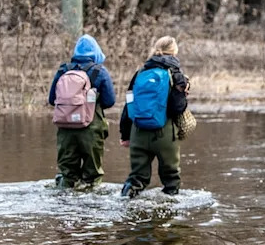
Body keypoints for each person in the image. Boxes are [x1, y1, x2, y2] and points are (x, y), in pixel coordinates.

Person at [119, 36, 190, 198]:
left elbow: (128, 105)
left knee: (136, 178)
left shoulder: (140, 72)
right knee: (171, 179)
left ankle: (125, 208)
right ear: (174, 52)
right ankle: (168, 216)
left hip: (138, 132)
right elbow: (177, 108)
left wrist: (125, 134)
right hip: (163, 133)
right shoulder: (176, 74)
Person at [49, 34, 116, 189]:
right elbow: (110, 101)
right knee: (92, 178)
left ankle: (65, 207)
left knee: (67, 175)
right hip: (91, 129)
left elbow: (52, 100)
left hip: (65, 129)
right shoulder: (100, 72)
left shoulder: (63, 70)